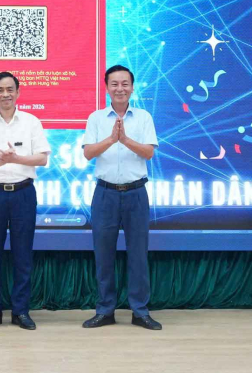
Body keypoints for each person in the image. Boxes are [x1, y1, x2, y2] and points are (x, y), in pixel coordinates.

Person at [0, 71, 50, 330]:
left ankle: (20, 311)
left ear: (18, 92)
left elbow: (42, 158)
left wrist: (16, 159)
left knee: (23, 255)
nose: (6, 94)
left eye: (10, 89)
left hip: (24, 193)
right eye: (0, 90)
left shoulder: (31, 122)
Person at [81, 65, 162, 331]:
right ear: (106, 88)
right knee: (103, 255)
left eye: (125, 84)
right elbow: (88, 153)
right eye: (114, 84)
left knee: (138, 254)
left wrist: (125, 139)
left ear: (132, 88)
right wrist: (111, 139)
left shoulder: (143, 117)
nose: (120, 89)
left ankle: (140, 311)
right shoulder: (96, 118)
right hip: (105, 194)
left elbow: (149, 153)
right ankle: (105, 310)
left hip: (136, 193)